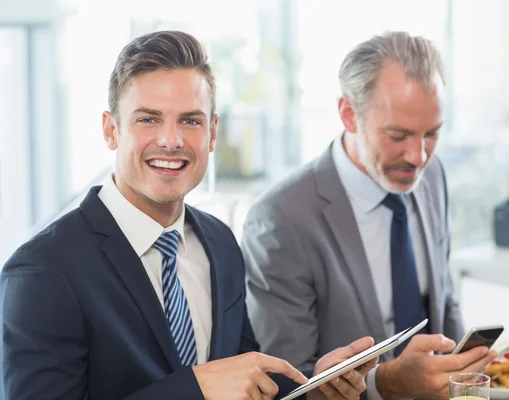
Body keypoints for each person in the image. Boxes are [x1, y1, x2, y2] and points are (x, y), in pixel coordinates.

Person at [0, 30, 376, 400]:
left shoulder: (220, 241)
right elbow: (209, 386)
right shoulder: (43, 271)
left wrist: (312, 388)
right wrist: (194, 388)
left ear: (212, 133)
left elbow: (242, 382)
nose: (171, 140)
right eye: (148, 119)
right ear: (111, 130)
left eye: (190, 121)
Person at [241, 31, 497, 400]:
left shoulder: (433, 175)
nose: (418, 157)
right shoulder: (281, 218)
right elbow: (289, 383)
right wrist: (387, 382)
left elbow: (443, 298)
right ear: (348, 113)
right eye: (398, 135)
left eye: (432, 134)